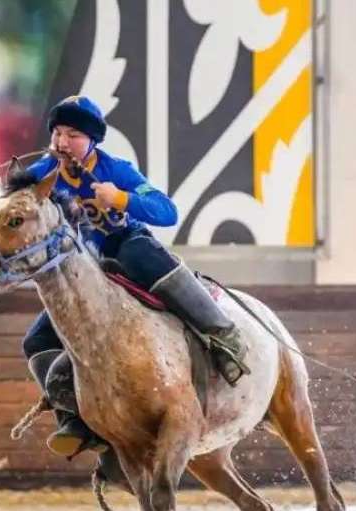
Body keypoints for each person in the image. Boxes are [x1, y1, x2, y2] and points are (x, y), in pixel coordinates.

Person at [23, 95, 246, 458]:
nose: (62, 143)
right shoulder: (39, 175)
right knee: (36, 342)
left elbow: (167, 211)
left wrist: (121, 199)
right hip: (83, 279)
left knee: (137, 249)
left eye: (74, 135)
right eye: (58, 133)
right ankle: (74, 418)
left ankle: (222, 334)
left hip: (124, 257)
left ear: (93, 140)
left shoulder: (118, 170)